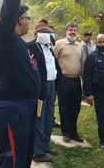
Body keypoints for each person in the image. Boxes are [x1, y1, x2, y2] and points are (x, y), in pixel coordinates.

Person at [0, 0, 41, 167]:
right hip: (12, 107)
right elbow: (7, 12)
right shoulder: (4, 38)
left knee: (24, 157)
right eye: (28, 18)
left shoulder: (21, 42)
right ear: (19, 20)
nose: (29, 21)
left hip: (27, 106)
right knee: (11, 160)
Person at [28, 20, 61, 162]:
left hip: (51, 84)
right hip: (40, 87)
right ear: (36, 33)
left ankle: (45, 145)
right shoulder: (30, 47)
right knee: (39, 119)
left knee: (49, 116)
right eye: (42, 32)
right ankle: (37, 151)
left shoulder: (49, 47)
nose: (45, 34)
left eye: (47, 32)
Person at [53, 22, 84, 143]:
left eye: (75, 30)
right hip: (63, 80)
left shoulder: (80, 46)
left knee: (75, 108)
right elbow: (53, 61)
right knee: (64, 107)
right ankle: (66, 133)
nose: (72, 32)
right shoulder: (59, 44)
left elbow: (82, 64)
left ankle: (74, 132)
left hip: (76, 80)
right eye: (70, 30)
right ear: (66, 31)